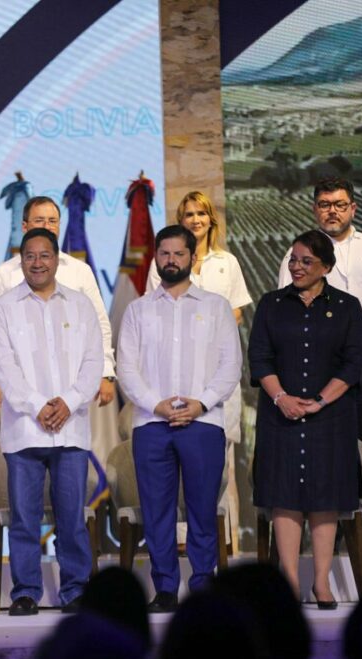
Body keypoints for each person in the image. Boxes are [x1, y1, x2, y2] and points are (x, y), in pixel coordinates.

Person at [277, 177, 362, 554]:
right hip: (320, 368)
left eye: (338, 204)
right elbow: (285, 307)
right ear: (314, 209)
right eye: (324, 204)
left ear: (353, 208)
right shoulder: (298, 253)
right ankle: (328, 531)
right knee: (325, 451)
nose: (331, 211)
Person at [117, 225, 242, 613]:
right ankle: (166, 589)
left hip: (203, 423)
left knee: (202, 511)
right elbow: (126, 368)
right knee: (157, 513)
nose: (171, 260)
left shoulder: (216, 306)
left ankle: (203, 587)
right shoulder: (138, 310)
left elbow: (231, 365)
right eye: (164, 253)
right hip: (151, 425)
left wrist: (200, 404)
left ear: (192, 257)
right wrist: (156, 405)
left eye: (178, 254)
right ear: (156, 257)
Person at [0, 227, 104, 616]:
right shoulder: (4, 307)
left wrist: (69, 402)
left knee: (72, 518)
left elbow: (94, 361)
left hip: (71, 429)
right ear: (21, 261)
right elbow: (4, 367)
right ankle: (25, 592)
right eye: (30, 256)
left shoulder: (80, 305)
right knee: (24, 519)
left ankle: (76, 590)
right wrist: (38, 406)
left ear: (57, 259)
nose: (37, 263)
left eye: (44, 255)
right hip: (24, 430)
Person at [250, 230, 362, 607]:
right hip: (279, 414)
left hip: (330, 416)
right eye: (293, 260)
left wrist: (318, 401)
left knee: (324, 496)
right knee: (284, 494)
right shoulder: (271, 304)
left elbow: (352, 364)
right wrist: (281, 398)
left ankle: (321, 581)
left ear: (326, 267)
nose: (296, 267)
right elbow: (259, 359)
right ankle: (288, 580)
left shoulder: (348, 307)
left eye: (306, 261)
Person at [147, 191, 252, 547]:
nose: (195, 220)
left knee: (221, 467)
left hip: (216, 377)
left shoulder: (227, 262)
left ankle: (224, 541)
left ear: (211, 220)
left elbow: (236, 312)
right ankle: (181, 541)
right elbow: (155, 311)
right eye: (188, 214)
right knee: (176, 466)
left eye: (201, 213)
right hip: (174, 378)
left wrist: (205, 330)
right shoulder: (164, 263)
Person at [0, 196, 114, 417]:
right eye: (39, 220)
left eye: (52, 221)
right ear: (24, 226)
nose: (47, 226)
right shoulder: (5, 274)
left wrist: (106, 371)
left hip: (74, 386)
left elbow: (100, 325)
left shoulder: (80, 270)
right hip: (22, 388)